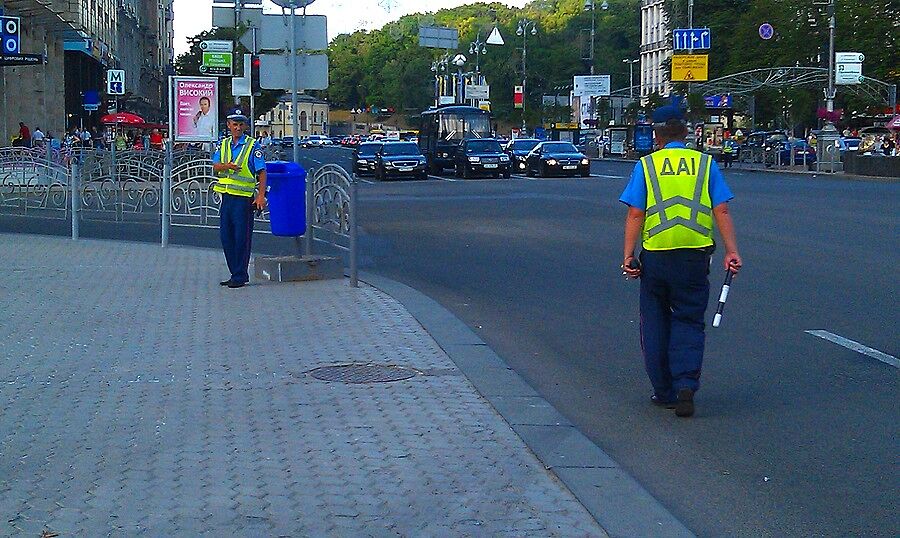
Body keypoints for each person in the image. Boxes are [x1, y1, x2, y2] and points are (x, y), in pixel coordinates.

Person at [620, 103, 742, 418]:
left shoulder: (646, 166)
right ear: (686, 132)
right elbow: (722, 209)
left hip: (657, 257)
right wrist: (732, 251)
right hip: (694, 257)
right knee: (688, 320)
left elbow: (636, 212)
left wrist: (628, 256)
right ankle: (686, 382)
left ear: (656, 134)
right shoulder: (705, 164)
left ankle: (665, 391)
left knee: (655, 321)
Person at [210, 108, 267, 289]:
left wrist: (260, 196)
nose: (238, 127)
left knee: (241, 237)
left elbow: (262, 172)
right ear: (228, 125)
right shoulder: (224, 144)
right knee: (226, 237)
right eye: (235, 124)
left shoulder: (252, 145)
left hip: (244, 199)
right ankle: (235, 272)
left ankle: (240, 275)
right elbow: (216, 166)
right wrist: (227, 165)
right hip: (227, 197)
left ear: (245, 126)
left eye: (241, 124)